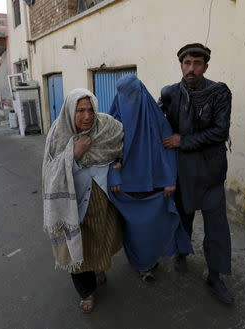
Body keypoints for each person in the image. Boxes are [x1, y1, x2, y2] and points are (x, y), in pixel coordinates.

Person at [159, 43, 234, 304]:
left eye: (197, 63)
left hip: (211, 172)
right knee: (183, 218)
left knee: (217, 228)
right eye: (187, 63)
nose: (191, 69)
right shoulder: (169, 93)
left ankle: (215, 276)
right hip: (183, 172)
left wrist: (184, 141)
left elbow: (220, 131)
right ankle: (182, 253)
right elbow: (158, 123)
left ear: (206, 66)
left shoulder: (219, 93)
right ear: (180, 64)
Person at [42, 88, 124, 313]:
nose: (87, 116)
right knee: (74, 246)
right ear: (70, 111)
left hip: (99, 200)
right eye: (80, 110)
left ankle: (98, 268)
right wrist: (74, 154)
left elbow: (121, 145)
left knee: (98, 240)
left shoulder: (106, 126)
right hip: (71, 204)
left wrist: (118, 163)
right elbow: (50, 173)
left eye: (90, 110)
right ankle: (86, 291)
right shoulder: (58, 134)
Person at [107, 75, 193, 282]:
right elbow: (105, 152)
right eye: (123, 94)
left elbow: (168, 150)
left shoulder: (156, 119)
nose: (128, 100)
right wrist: (114, 175)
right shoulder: (111, 123)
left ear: (142, 93)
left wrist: (169, 180)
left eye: (133, 94)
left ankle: (151, 260)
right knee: (132, 230)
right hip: (125, 187)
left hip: (153, 185)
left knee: (152, 228)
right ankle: (140, 264)